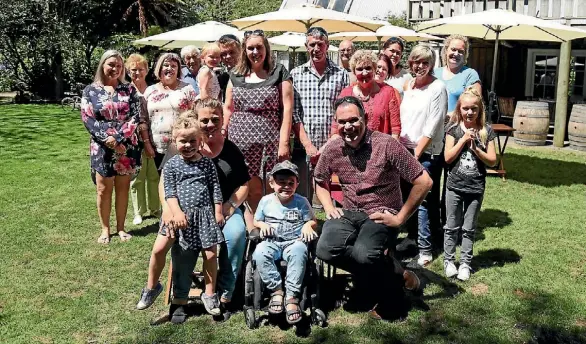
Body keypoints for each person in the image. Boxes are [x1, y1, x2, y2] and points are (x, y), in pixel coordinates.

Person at [314, 96, 432, 321]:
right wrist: (329, 205)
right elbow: (319, 179)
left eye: (353, 120)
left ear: (365, 118)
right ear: (336, 123)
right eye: (342, 122)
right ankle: (398, 273)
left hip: (382, 212)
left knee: (365, 255)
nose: (348, 127)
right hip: (348, 213)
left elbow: (424, 181)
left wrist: (400, 218)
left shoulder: (386, 144)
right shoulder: (333, 148)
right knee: (325, 249)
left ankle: (388, 291)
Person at [136, 99, 250, 321]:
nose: (209, 124)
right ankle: (178, 299)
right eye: (204, 119)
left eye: (215, 119)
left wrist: (225, 207)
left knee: (234, 237)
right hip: (180, 211)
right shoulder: (176, 154)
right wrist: (171, 211)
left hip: (218, 210)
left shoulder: (228, 150)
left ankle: (223, 295)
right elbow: (165, 186)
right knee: (180, 248)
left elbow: (241, 185)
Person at [160, 113, 225, 323]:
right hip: (184, 220)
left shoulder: (207, 164)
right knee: (183, 259)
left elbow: (215, 187)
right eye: (183, 141)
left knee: (210, 256)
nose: (188, 145)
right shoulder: (171, 166)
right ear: (174, 141)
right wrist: (176, 212)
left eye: (192, 141)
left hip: (206, 217)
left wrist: (217, 210)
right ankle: (179, 302)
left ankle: (210, 295)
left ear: (200, 141)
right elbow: (169, 192)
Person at [223, 29, 293, 224]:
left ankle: (274, 224)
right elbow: (228, 108)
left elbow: (287, 109)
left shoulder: (279, 72)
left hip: (270, 143)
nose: (255, 52)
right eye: (251, 48)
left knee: (273, 186)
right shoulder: (235, 75)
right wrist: (223, 134)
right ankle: (254, 227)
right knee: (250, 187)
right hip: (240, 143)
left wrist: (284, 142)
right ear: (245, 51)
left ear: (266, 48)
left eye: (259, 47)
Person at [81, 50, 142, 244]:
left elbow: (135, 117)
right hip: (101, 147)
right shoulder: (90, 91)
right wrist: (106, 138)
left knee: (122, 188)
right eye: (111, 64)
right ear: (102, 65)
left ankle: (121, 228)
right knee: (103, 189)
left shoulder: (129, 89)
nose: (114, 68)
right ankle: (105, 229)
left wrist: (118, 138)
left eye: (118, 65)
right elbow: (87, 118)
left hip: (125, 146)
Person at [398, 45, 448, 266]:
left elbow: (433, 126)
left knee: (424, 200)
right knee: (405, 198)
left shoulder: (437, 88)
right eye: (415, 62)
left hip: (426, 152)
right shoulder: (408, 85)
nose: (419, 66)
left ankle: (426, 249)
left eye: (424, 62)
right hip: (405, 148)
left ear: (431, 65)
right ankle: (412, 240)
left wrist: (415, 155)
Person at [252, 160, 318, 324]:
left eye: (291, 183)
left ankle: (291, 297)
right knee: (260, 252)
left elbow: (312, 220)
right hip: (272, 241)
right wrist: (262, 224)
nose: (286, 187)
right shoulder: (266, 201)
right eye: (281, 182)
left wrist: (308, 226)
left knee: (299, 251)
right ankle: (276, 290)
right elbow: (256, 220)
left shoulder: (301, 202)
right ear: (272, 183)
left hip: (294, 241)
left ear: (297, 184)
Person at [290, 27, 349, 201]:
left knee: (335, 194)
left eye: (320, 44)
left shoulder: (341, 75)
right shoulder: (296, 74)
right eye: (312, 44)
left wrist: (328, 144)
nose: (316, 49)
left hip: (334, 144)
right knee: (301, 195)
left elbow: (344, 113)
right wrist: (308, 145)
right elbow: (295, 113)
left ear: (327, 45)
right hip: (304, 147)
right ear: (306, 46)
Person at [443, 87, 496, 281]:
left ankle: (465, 263)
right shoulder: (453, 129)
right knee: (451, 226)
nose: (469, 112)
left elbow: (492, 160)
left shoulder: (486, 131)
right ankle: (449, 261)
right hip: (454, 185)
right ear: (459, 109)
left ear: (479, 110)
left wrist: (476, 150)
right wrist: (463, 140)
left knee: (469, 228)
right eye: (465, 108)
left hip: (475, 187)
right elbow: (447, 157)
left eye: (474, 108)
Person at [143, 52, 196, 170]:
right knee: (160, 182)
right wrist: (147, 143)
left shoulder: (187, 89)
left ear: (178, 70)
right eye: (166, 65)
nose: (169, 69)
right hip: (156, 146)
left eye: (173, 66)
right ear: (159, 68)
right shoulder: (150, 90)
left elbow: (194, 116)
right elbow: (143, 119)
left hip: (182, 145)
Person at [335, 50, 401, 139]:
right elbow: (336, 129)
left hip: (380, 149)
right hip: (352, 150)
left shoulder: (388, 92)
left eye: (368, 68)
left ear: (374, 69)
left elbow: (395, 130)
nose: (364, 73)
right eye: (359, 69)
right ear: (354, 72)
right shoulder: (346, 94)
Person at [125, 54, 159, 226]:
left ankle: (155, 208)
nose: (137, 72)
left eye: (140, 69)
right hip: (134, 141)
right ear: (128, 71)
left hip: (155, 138)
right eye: (133, 70)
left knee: (154, 175)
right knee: (137, 177)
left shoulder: (153, 89)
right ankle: (139, 212)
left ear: (147, 70)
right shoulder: (126, 90)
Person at [434, 34, 481, 114]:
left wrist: (450, 116)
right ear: (446, 50)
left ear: (465, 55)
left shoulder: (470, 74)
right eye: (453, 49)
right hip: (433, 123)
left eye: (460, 51)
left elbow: (474, 105)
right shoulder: (434, 73)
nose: (456, 54)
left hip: (457, 124)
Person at [217, 34, 242, 100]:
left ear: (240, 51)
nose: (228, 56)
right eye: (223, 54)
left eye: (232, 52)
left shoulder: (250, 74)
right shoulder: (221, 78)